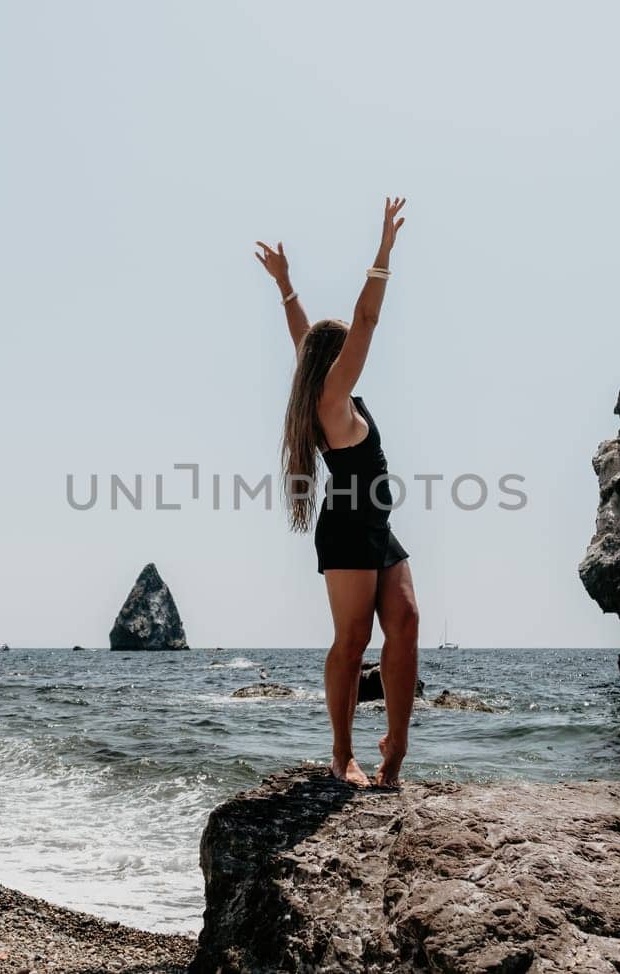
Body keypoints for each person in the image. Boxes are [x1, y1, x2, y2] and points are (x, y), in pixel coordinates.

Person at [254, 197, 420, 788]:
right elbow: (367, 321)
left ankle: (395, 745)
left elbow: (303, 337)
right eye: (345, 349)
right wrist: (383, 252)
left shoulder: (325, 387)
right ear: (335, 362)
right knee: (352, 641)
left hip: (376, 527)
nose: (356, 353)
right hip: (348, 527)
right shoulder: (328, 398)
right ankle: (342, 753)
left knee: (406, 619)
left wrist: (286, 286)